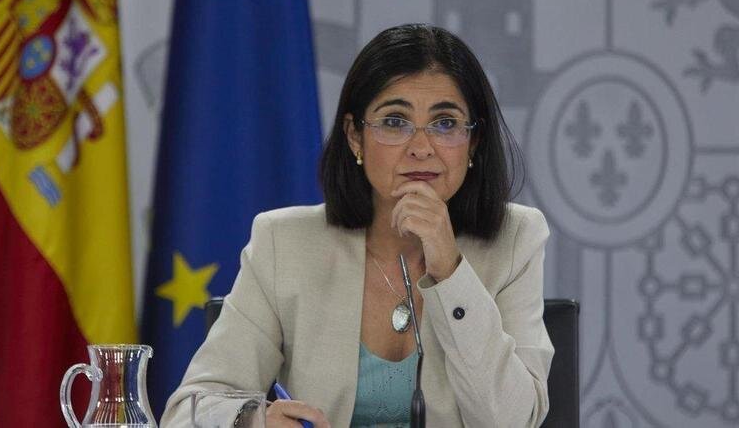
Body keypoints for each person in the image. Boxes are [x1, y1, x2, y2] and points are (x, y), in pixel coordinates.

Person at [161, 24, 554, 427]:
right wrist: (253, 421)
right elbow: (188, 410)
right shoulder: (284, 243)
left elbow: (514, 420)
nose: (421, 147)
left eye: (445, 124)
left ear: (473, 142)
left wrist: (450, 270)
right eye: (395, 122)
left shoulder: (514, 239)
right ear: (354, 137)